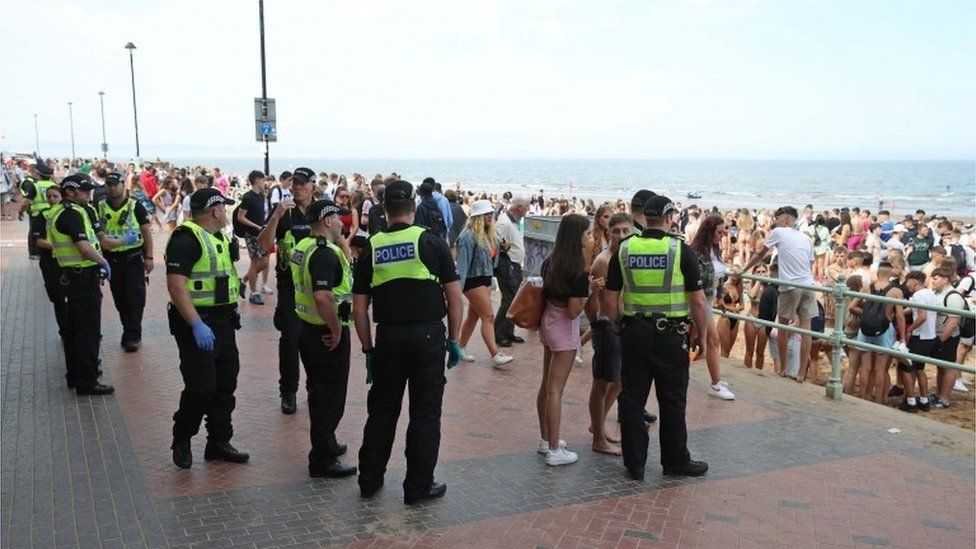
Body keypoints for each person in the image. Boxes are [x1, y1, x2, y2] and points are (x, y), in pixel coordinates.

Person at [353, 180, 464, 505]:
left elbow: (360, 307)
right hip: (428, 338)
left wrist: (368, 348)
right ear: (413, 208)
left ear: (384, 209)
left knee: (382, 412)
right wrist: (454, 339)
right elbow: (455, 298)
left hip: (389, 338)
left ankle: (369, 480)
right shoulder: (432, 242)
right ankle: (417, 487)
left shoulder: (372, 247)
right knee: (425, 414)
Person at [603, 195, 710, 480]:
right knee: (672, 400)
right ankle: (675, 460)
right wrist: (702, 334)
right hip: (671, 336)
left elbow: (610, 297)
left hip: (634, 333)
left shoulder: (624, 250)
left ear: (645, 218)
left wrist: (616, 325)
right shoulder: (679, 251)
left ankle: (635, 463)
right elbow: (698, 301)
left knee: (632, 399)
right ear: (669, 217)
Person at [165, 188, 249, 469]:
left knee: (226, 384)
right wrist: (196, 323)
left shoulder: (219, 238)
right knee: (201, 387)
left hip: (224, 322)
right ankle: (182, 437)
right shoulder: (185, 239)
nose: (225, 212)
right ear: (214, 210)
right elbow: (177, 286)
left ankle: (218, 442)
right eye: (223, 208)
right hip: (196, 324)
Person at [289, 199, 357, 478]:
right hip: (327, 334)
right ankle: (322, 459)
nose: (343, 223)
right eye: (338, 219)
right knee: (330, 396)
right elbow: (322, 295)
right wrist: (337, 328)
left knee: (318, 391)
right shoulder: (325, 253)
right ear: (327, 221)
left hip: (308, 330)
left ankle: (326, 441)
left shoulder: (301, 247)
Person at [258, 167, 328, 415]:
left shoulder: (322, 211)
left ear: (312, 186)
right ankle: (288, 392)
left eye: (302, 183)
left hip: (317, 286)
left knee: (317, 341)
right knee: (290, 340)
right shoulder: (284, 212)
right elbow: (264, 245)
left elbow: (337, 239)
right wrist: (275, 216)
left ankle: (315, 388)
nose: (296, 187)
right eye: (294, 183)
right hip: (290, 287)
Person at [534, 214, 599, 466]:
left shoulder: (552, 261)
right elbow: (574, 311)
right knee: (556, 389)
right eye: (588, 235)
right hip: (564, 327)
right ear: (578, 238)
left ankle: (545, 439)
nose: (592, 239)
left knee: (546, 384)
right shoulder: (578, 272)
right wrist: (590, 290)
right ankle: (554, 449)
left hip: (549, 321)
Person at [47, 174, 117, 395]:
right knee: (87, 331)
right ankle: (87, 381)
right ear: (69, 192)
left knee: (74, 330)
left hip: (71, 277)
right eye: (84, 190)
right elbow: (84, 248)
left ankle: (75, 375)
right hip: (80, 280)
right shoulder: (71, 214)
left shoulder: (63, 211)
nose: (89, 193)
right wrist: (103, 261)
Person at [737, 206, 817, 383]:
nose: (775, 221)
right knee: (806, 330)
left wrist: (744, 269)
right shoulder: (806, 238)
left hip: (791, 285)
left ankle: (783, 369)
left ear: (787, 219)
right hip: (808, 284)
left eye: (778, 218)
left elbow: (760, 253)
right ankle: (802, 373)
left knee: (782, 326)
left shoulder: (779, 232)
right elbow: (811, 261)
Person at [586, 213, 632, 456]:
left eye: (626, 231)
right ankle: (598, 438)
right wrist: (597, 325)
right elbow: (591, 297)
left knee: (620, 381)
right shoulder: (604, 261)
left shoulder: (626, 258)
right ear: (609, 232)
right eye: (616, 231)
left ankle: (599, 425)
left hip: (623, 327)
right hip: (607, 326)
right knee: (602, 384)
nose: (621, 236)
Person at [98, 172, 154, 352]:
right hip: (112, 260)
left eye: (115, 184)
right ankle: (127, 328)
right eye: (109, 184)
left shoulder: (135, 206)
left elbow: (146, 232)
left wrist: (149, 256)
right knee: (120, 299)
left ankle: (133, 335)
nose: (112, 187)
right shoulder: (99, 206)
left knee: (135, 299)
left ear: (123, 184)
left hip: (133, 259)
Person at [455, 200, 513, 366]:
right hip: (473, 281)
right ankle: (495, 354)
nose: (490, 216)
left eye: (491, 213)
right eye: (486, 214)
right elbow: (463, 264)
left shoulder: (490, 235)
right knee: (488, 316)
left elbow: (493, 257)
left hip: (484, 279)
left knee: (473, 317)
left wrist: (503, 246)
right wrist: (458, 290)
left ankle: (461, 347)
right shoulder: (467, 237)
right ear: (477, 217)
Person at [688, 214, 736, 399]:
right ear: (709, 231)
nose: (722, 234)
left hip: (707, 301)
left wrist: (721, 298)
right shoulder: (696, 253)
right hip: (699, 303)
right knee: (703, 341)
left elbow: (718, 278)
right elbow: (695, 283)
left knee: (707, 341)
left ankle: (715, 381)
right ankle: (715, 383)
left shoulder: (714, 250)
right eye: (719, 231)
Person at [857, 262, 907, 404]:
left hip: (865, 328)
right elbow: (900, 316)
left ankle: (862, 396)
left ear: (877, 273)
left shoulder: (867, 287)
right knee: (881, 369)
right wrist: (902, 337)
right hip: (884, 329)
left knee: (865, 367)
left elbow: (851, 306)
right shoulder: (896, 291)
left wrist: (866, 315)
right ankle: (879, 399)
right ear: (890, 274)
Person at [32, 186, 69, 338]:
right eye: (49, 197)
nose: (52, 200)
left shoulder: (68, 214)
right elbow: (39, 241)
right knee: (58, 300)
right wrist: (59, 247)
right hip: (50, 263)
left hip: (66, 263)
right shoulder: (42, 215)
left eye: (55, 196)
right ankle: (64, 330)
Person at [493, 195, 529, 348]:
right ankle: (499, 334)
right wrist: (504, 247)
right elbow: (494, 239)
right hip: (507, 264)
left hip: (513, 264)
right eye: (526, 207)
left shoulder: (512, 221)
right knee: (509, 299)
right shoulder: (504, 221)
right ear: (519, 207)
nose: (527, 210)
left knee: (513, 299)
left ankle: (508, 332)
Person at [900, 271, 936, 412]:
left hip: (920, 336)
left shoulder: (918, 295)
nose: (907, 284)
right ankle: (924, 400)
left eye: (908, 281)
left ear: (915, 281)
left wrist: (910, 330)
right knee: (919, 369)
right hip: (929, 336)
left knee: (906, 368)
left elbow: (922, 317)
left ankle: (910, 402)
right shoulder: (930, 293)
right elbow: (915, 309)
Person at [930, 268, 965, 409]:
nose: (932, 281)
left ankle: (944, 399)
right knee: (941, 367)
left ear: (945, 279)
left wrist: (942, 339)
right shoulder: (938, 293)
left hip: (948, 337)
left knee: (949, 367)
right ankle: (939, 394)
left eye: (935, 278)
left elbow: (953, 321)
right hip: (939, 335)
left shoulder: (953, 296)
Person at [238, 170, 270, 304]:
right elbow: (241, 217)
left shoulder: (261, 196)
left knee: (263, 263)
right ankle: (253, 293)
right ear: (257, 180)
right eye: (263, 180)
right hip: (251, 234)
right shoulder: (248, 197)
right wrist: (256, 226)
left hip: (261, 234)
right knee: (257, 262)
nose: (265, 183)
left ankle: (244, 280)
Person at [20, 157, 57, 259]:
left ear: (39, 174)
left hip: (38, 215)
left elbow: (25, 202)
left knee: (35, 235)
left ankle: (34, 253)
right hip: (53, 213)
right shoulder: (54, 185)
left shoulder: (35, 186)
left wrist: (20, 212)